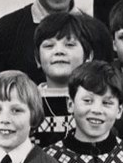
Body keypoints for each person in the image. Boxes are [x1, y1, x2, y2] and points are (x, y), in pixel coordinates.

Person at [32, 12, 94, 148]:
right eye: (49, 46)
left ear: (88, 56)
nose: (59, 51)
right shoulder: (26, 102)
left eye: (70, 44)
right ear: (37, 59)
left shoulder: (97, 102)